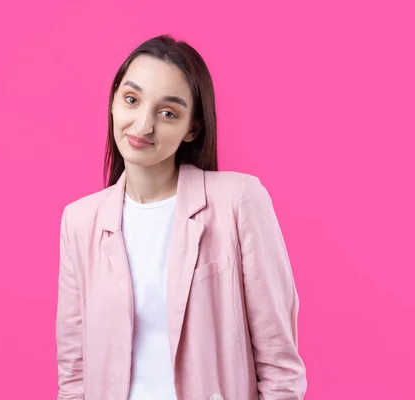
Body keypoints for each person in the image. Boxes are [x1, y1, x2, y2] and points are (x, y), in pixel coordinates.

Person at [56, 34, 307, 400]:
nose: (143, 126)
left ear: (192, 127)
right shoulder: (79, 222)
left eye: (168, 112)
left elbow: (280, 366)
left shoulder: (238, 202)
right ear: (113, 102)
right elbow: (74, 375)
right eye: (131, 100)